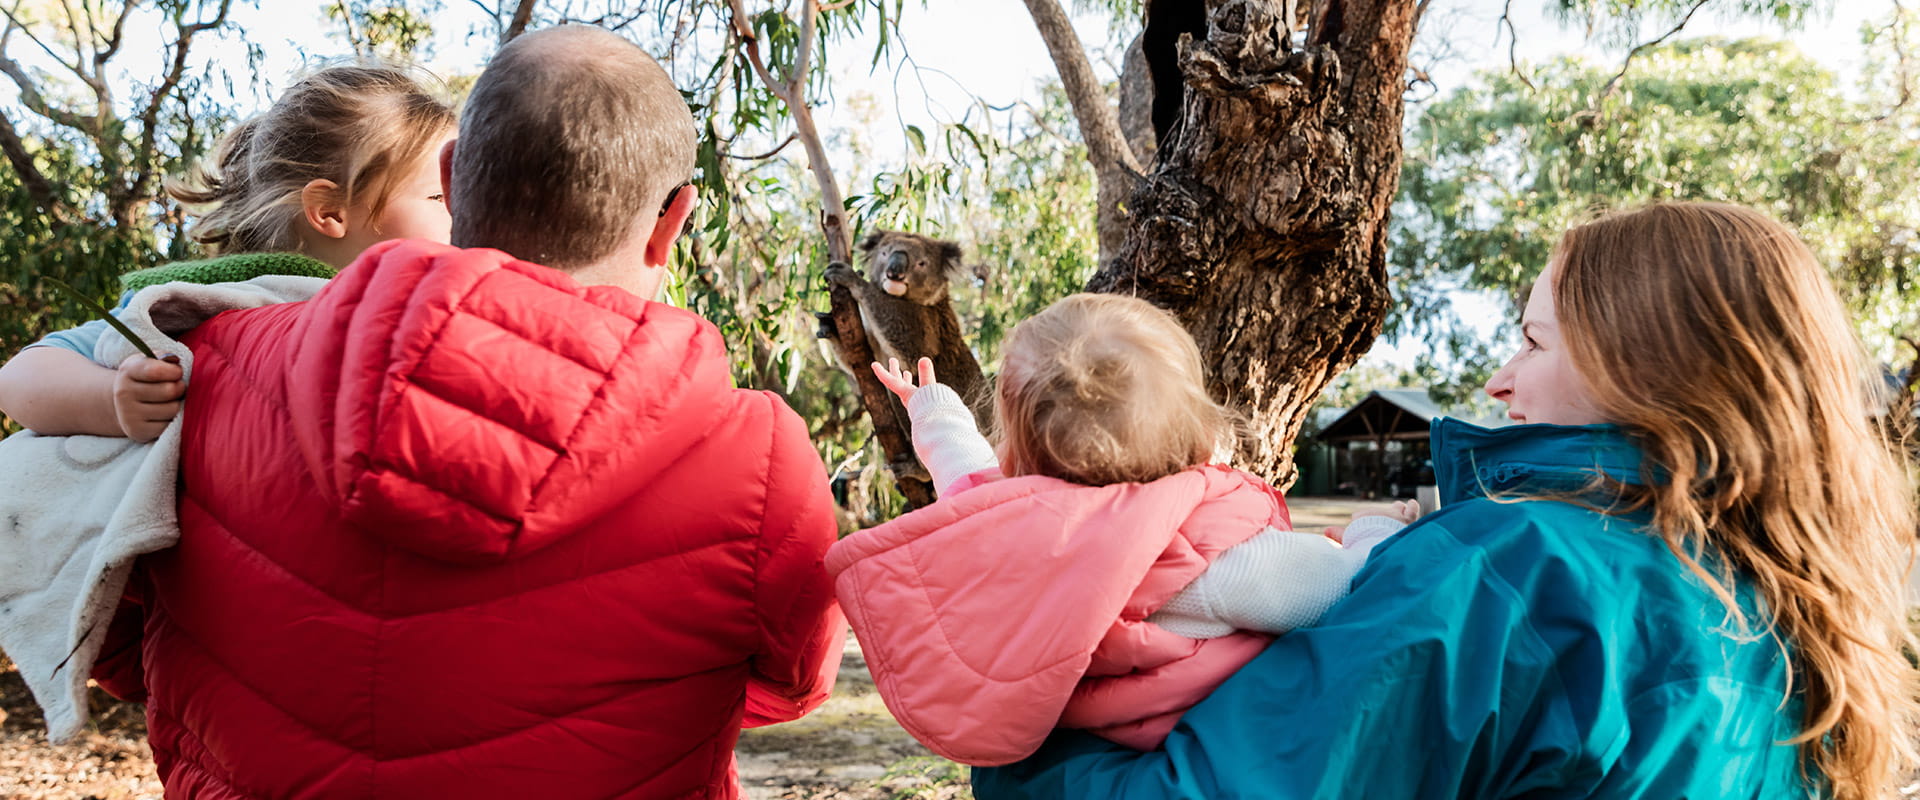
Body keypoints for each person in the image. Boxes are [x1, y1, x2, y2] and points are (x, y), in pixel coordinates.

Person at [91, 25, 845, 799]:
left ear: (452, 181)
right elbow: (797, 684)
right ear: (673, 222)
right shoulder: (756, 454)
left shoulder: (190, 373)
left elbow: (105, 631)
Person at [974, 202, 1920, 799]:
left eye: (1535, 344)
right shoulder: (1790, 599)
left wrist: (1011, 723)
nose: (1503, 382)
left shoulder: (1506, 577)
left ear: (1652, 375)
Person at [825, 293, 1411, 767]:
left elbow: (965, 478)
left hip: (1078, 734)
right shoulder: (1213, 552)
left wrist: (935, 411)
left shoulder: (1016, 526)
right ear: (1196, 428)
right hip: (1192, 739)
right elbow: (1347, 586)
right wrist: (1374, 530)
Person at [0, 63, 457, 442]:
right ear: (329, 210)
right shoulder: (202, 301)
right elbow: (19, 376)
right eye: (439, 198)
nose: (462, 212)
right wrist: (110, 398)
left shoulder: (445, 309)